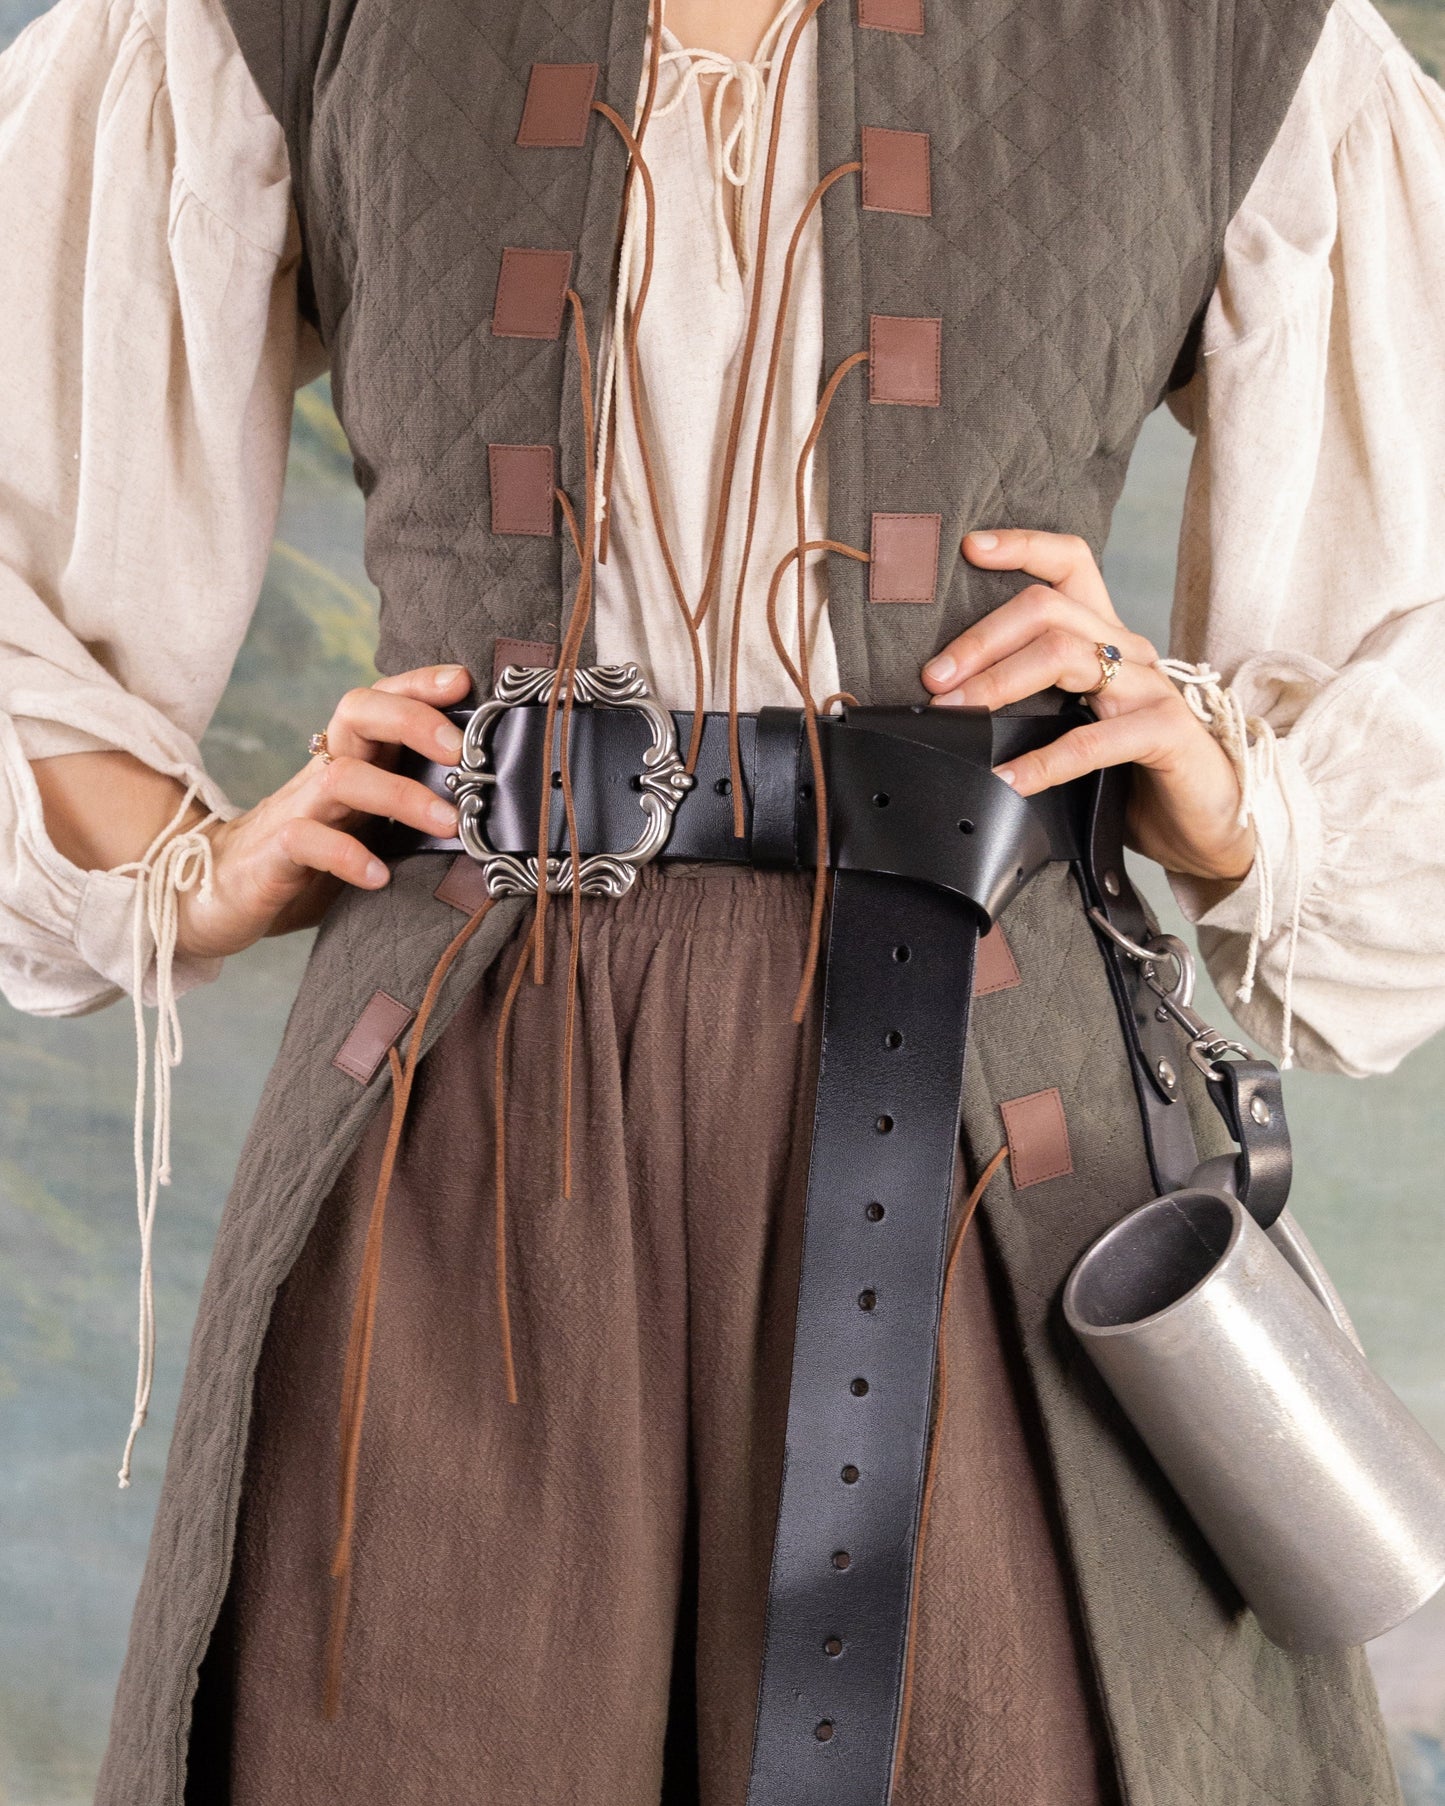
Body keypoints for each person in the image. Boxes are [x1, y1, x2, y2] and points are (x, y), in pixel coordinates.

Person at [1, 0, 1443, 1799]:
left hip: (998, 1127)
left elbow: (1410, 614)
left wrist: (1241, 791)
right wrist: (188, 872)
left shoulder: (1208, 27)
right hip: (451, 1131)